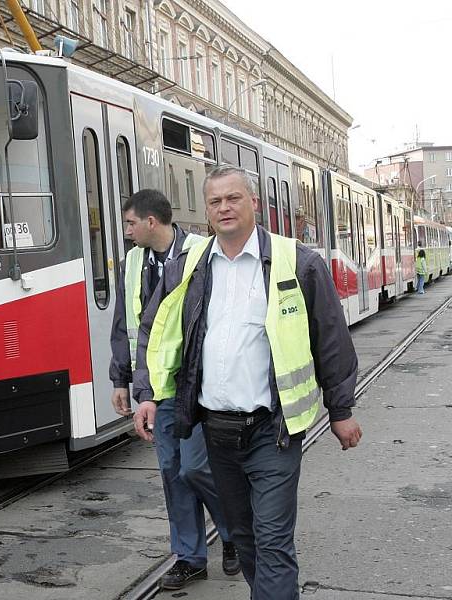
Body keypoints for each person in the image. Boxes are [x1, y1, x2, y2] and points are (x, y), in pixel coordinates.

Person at [138, 165, 362, 600]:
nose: (224, 207)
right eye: (215, 201)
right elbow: (157, 329)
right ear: (206, 210)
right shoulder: (192, 265)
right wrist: (147, 394)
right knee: (244, 538)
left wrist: (341, 410)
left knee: (273, 541)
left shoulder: (297, 260)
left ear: (254, 203)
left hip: (272, 429)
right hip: (215, 431)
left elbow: (331, 337)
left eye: (233, 198)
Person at [109, 189, 240, 590]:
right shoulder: (134, 262)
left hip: (201, 385)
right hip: (159, 389)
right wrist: (122, 379)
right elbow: (125, 323)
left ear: (151, 222)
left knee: (197, 467)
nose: (126, 231)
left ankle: (235, 533)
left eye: (131, 223)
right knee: (172, 473)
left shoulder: (202, 251)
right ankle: (190, 556)